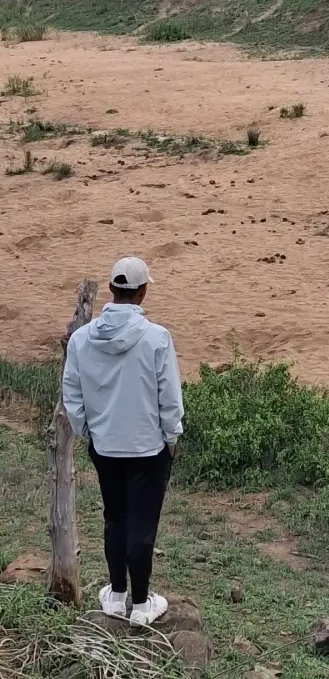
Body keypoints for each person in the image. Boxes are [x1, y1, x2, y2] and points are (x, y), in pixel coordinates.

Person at [62, 257, 184, 626]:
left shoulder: (83, 339)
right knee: (142, 525)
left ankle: (116, 596)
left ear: (113, 290)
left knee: (115, 518)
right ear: (143, 290)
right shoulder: (156, 337)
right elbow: (170, 398)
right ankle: (143, 604)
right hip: (148, 448)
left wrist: (88, 433)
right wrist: (171, 437)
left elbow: (72, 395)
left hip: (105, 446)